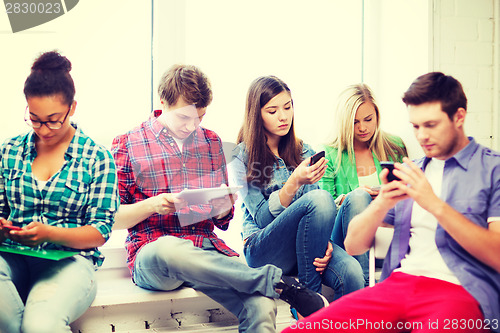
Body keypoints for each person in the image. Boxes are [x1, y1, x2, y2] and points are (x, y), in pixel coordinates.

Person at [110, 64, 328, 333]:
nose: (192, 126)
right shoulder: (128, 143)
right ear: (163, 102)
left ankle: (271, 287)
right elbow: (111, 218)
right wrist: (153, 204)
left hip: (205, 251)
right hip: (154, 252)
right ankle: (277, 282)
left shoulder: (211, 141)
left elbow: (222, 222)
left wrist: (223, 206)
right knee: (169, 248)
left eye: (199, 117)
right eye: (184, 118)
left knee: (261, 305)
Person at [282, 72, 500, 332]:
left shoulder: (491, 169)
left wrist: (433, 203)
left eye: (431, 125)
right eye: (416, 127)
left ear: (459, 117)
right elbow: (352, 245)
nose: (422, 137)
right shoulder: (411, 170)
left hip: (460, 288)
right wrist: (382, 202)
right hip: (398, 286)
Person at [0, 51, 119, 333]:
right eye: (35, 119)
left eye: (54, 119)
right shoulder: (9, 150)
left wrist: (50, 233)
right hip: (13, 257)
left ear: (72, 107)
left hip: (70, 262)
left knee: (40, 325)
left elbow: (100, 231)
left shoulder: (97, 157)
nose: (44, 129)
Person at [230, 76, 365, 308]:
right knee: (319, 198)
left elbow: (319, 213)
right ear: (256, 114)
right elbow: (262, 218)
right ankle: (308, 305)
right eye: (272, 110)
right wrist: (294, 181)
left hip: (305, 246)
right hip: (264, 249)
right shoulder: (240, 157)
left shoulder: (305, 151)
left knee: (352, 272)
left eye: (288, 107)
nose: (283, 116)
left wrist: (326, 243)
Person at [319, 83, 407, 285]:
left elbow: (408, 196)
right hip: (346, 238)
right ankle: (366, 287)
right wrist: (351, 197)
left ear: (377, 115)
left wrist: (386, 196)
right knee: (359, 197)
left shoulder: (394, 146)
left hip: (385, 230)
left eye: (368, 119)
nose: (363, 127)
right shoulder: (330, 154)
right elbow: (322, 208)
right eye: (355, 122)